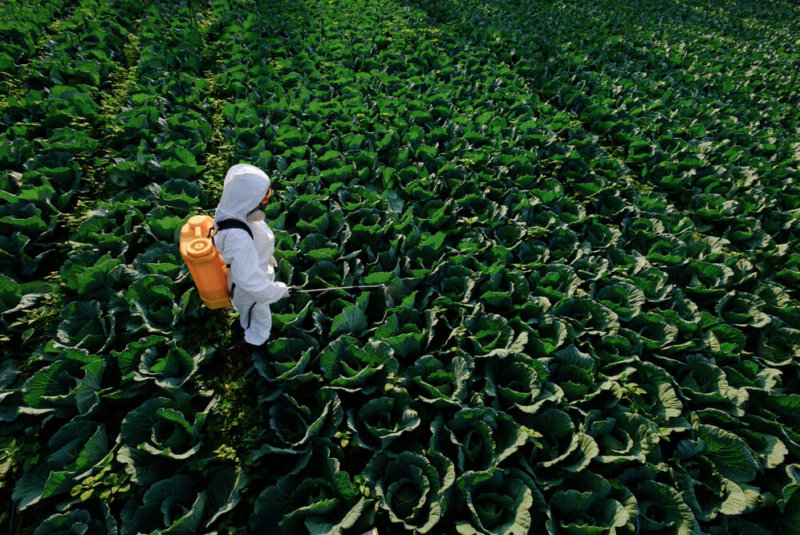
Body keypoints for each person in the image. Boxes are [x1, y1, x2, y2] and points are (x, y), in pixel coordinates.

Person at [213, 164, 290, 347]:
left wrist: (265, 255)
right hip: (249, 289)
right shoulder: (238, 237)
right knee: (258, 313)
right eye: (264, 196)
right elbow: (249, 281)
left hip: (253, 269)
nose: (266, 200)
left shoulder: (232, 210)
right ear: (248, 199)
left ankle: (253, 330)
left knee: (255, 305)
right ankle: (256, 339)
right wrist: (278, 290)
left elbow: (254, 238)